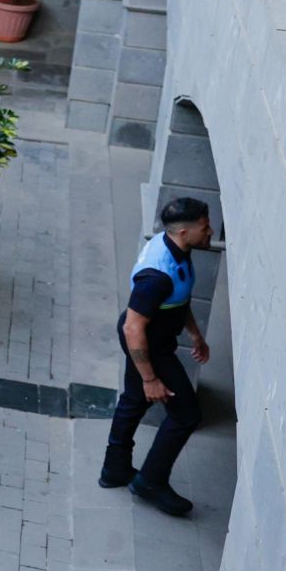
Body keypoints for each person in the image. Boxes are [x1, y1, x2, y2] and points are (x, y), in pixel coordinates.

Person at [99, 197, 215, 517]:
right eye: (205, 228)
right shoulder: (156, 276)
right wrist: (151, 377)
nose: (211, 233)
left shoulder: (177, 249)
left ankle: (115, 470)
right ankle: (150, 481)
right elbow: (133, 329)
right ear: (182, 232)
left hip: (156, 339)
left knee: (134, 401)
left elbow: (179, 299)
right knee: (186, 415)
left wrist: (194, 333)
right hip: (148, 346)